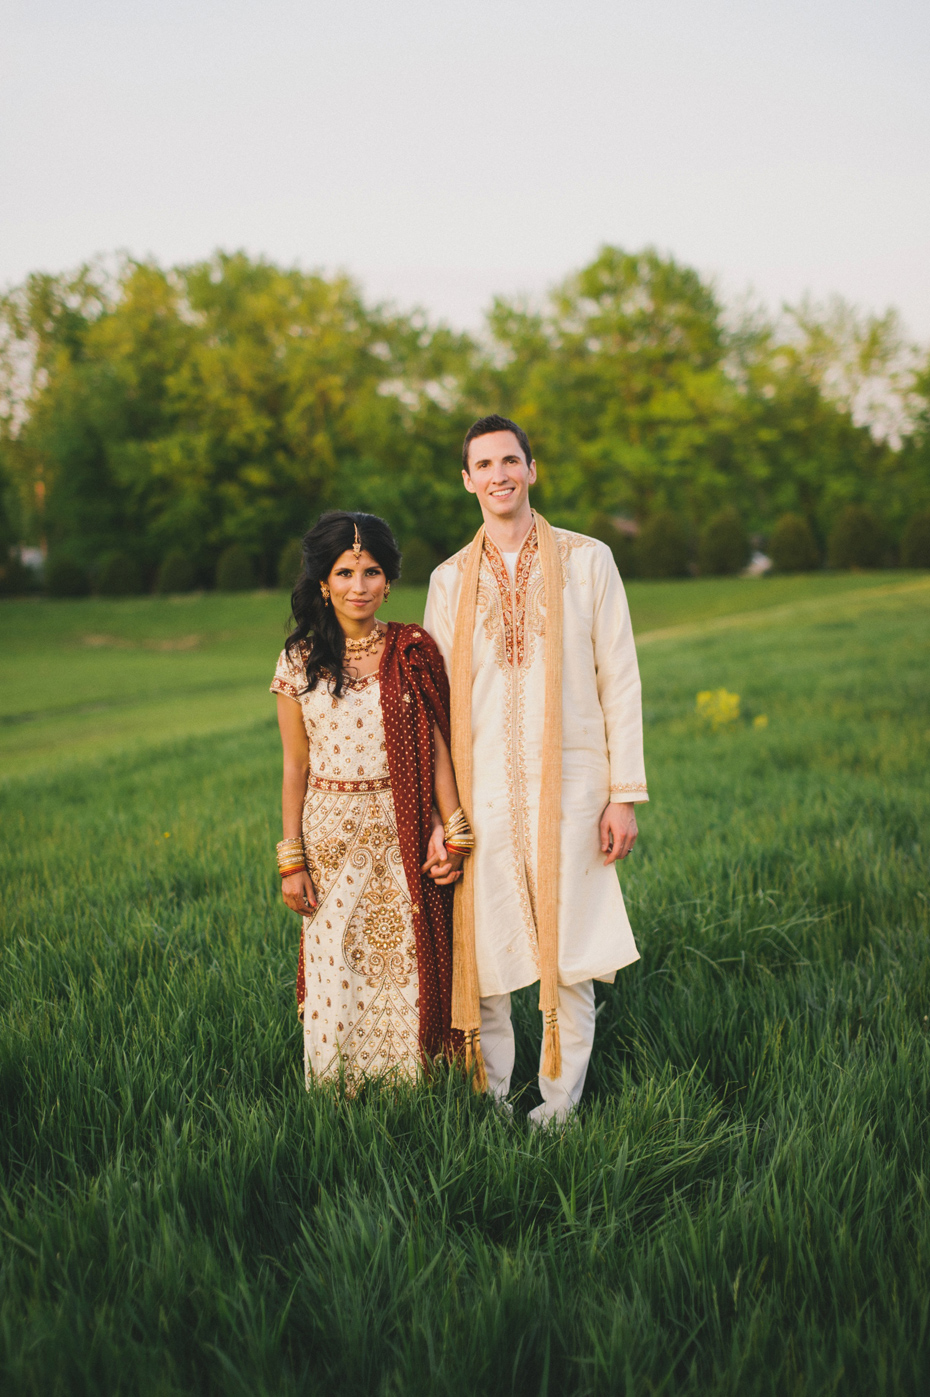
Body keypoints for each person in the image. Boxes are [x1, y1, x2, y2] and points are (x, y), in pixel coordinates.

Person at [422, 415, 648, 1125]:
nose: (499, 475)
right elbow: (438, 704)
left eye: (510, 460)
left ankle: (560, 1104)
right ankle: (488, 1100)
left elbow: (622, 678)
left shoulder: (588, 560)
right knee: (485, 952)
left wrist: (623, 795)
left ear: (532, 468)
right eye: (483, 464)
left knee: (571, 950)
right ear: (467, 480)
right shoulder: (449, 579)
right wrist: (441, 814)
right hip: (483, 791)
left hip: (575, 788)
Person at [271, 511, 471, 1089]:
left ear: (389, 580)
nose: (359, 587)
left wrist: (452, 831)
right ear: (322, 583)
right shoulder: (298, 662)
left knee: (405, 964)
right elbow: (294, 765)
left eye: (372, 571)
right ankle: (339, 1090)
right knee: (337, 961)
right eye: (345, 572)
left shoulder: (411, 651)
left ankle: (414, 1089)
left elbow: (437, 750)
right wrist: (292, 858)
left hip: (401, 830)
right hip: (330, 840)